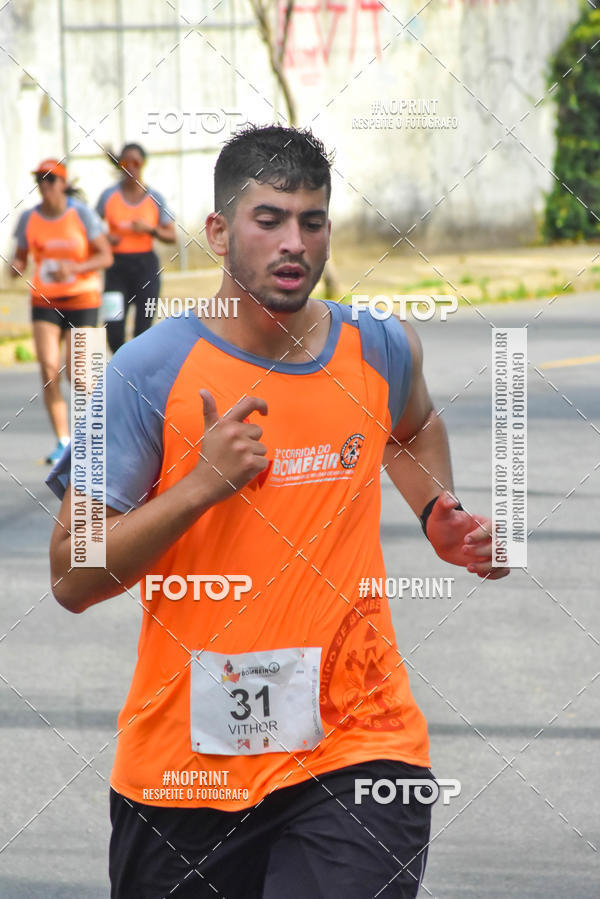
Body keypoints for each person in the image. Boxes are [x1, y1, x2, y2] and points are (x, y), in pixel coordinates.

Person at [47, 125, 509, 899]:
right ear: (219, 230)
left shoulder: (380, 346)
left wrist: (437, 506)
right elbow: (71, 573)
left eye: (312, 220)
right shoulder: (148, 372)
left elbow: (414, 424)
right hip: (186, 770)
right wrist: (198, 486)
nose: (295, 241)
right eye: (269, 219)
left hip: (359, 744)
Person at [10, 158, 112, 464]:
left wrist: (75, 268)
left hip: (83, 299)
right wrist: (16, 267)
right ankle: (63, 442)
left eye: (50, 179)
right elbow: (19, 258)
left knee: (79, 374)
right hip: (45, 300)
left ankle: (98, 434)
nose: (44, 185)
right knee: (48, 370)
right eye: (39, 179)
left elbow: (105, 256)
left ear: (63, 183)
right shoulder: (29, 218)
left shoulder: (81, 214)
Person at [96, 143, 176, 353]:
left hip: (145, 268)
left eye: (136, 163)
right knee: (113, 329)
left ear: (143, 164)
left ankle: (136, 369)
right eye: (125, 163)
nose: (131, 167)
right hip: (116, 269)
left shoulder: (155, 198)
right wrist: (105, 237)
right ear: (119, 165)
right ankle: (121, 362)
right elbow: (90, 228)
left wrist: (150, 229)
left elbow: (172, 236)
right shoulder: (108, 196)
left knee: (143, 330)